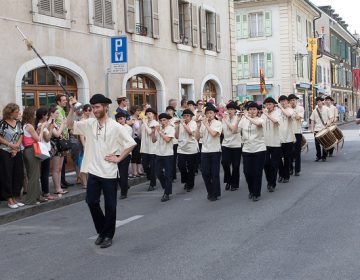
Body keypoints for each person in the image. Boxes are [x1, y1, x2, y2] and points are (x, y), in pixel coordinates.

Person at [67, 93, 136, 249]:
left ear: (105, 107)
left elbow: (131, 144)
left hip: (109, 172)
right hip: (93, 171)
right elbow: (70, 125)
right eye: (93, 107)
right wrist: (72, 109)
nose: (95, 110)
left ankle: (107, 235)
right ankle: (102, 231)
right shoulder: (90, 123)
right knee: (91, 201)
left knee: (110, 206)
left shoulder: (116, 126)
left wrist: (118, 159)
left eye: (97, 107)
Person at [239, 102, 266, 201]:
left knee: (257, 172)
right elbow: (235, 130)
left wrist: (247, 117)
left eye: (254, 109)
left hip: (259, 149)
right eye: (250, 109)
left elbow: (257, 124)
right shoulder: (243, 120)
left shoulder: (261, 119)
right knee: (247, 172)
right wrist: (238, 118)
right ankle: (251, 190)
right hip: (246, 149)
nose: (252, 111)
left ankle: (256, 193)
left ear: (258, 110)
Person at [22, 107, 48, 205]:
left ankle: (37, 196)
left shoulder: (25, 125)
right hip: (32, 150)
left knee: (32, 175)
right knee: (34, 176)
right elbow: (38, 139)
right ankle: (31, 199)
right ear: (30, 115)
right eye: (34, 113)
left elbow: (31, 137)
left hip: (28, 150)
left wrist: (38, 129)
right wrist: (41, 130)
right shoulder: (29, 126)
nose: (35, 115)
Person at [0, 103, 24, 209]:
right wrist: (10, 145)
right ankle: (9, 199)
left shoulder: (18, 123)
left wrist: (17, 146)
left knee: (18, 174)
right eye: (16, 111)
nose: (18, 113)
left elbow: (21, 135)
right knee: (7, 175)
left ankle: (15, 197)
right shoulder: (2, 123)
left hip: (17, 150)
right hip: (5, 151)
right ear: (10, 112)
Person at [196, 104, 222, 201]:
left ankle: (215, 193)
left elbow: (214, 134)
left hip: (215, 151)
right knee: (205, 173)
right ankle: (210, 191)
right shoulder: (203, 124)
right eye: (207, 113)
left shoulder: (218, 123)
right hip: (205, 151)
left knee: (214, 173)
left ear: (214, 113)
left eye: (211, 113)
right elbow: (197, 137)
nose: (209, 115)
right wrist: (198, 126)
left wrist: (206, 125)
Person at [153, 113, 175, 202]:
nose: (162, 122)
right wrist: (153, 132)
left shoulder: (171, 128)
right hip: (159, 153)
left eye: (164, 120)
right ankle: (166, 187)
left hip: (168, 154)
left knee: (168, 174)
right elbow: (153, 140)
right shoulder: (159, 129)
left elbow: (167, 139)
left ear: (168, 120)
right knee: (158, 173)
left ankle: (167, 193)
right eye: (161, 120)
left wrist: (160, 132)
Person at [175, 109, 198, 192]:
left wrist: (183, 123)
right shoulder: (181, 124)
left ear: (191, 117)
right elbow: (176, 136)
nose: (185, 117)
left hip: (191, 148)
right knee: (181, 166)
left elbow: (190, 132)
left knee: (191, 168)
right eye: (184, 116)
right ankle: (186, 181)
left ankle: (190, 185)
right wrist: (177, 126)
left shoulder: (193, 123)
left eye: (187, 116)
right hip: (181, 148)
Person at [261, 97, 281, 192]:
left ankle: (272, 183)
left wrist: (266, 114)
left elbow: (276, 121)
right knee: (265, 164)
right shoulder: (263, 115)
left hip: (276, 143)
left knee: (274, 165)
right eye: (266, 104)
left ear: (274, 105)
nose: (268, 106)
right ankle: (269, 181)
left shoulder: (278, 113)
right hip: (265, 143)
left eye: (270, 104)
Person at [221, 102, 242, 191]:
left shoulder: (238, 118)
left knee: (236, 165)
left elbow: (234, 130)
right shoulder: (223, 119)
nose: (230, 111)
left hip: (236, 145)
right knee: (225, 163)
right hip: (226, 144)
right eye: (228, 109)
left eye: (232, 109)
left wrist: (225, 120)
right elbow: (222, 131)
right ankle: (228, 180)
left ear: (235, 110)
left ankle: (234, 183)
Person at [35, 107, 55, 201]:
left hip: (43, 151)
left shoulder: (39, 124)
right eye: (47, 115)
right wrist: (51, 128)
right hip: (44, 151)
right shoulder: (41, 125)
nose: (47, 117)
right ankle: (46, 193)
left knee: (43, 172)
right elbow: (47, 138)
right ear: (43, 116)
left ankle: (44, 192)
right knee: (45, 173)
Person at [55, 94, 73, 189]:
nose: (65, 101)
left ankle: (62, 181)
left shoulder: (62, 110)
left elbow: (66, 123)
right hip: (60, 140)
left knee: (62, 163)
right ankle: (59, 184)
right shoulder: (57, 111)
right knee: (58, 165)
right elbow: (58, 124)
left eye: (66, 100)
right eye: (63, 100)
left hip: (64, 139)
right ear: (58, 102)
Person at [50, 101, 69, 196]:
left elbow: (60, 133)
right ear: (51, 114)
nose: (58, 114)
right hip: (55, 147)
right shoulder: (50, 123)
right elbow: (56, 134)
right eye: (56, 113)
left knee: (60, 168)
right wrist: (63, 124)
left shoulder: (54, 123)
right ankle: (57, 188)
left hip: (60, 147)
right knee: (55, 169)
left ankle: (59, 187)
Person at [277, 95, 295, 183]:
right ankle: (281, 174)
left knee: (287, 158)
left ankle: (286, 175)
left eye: (284, 101)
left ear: (287, 102)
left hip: (288, 138)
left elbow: (288, 115)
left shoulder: (290, 110)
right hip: (278, 139)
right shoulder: (277, 111)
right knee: (279, 158)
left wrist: (281, 108)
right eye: (281, 101)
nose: (282, 102)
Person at [115, 112, 133, 199]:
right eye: (118, 119)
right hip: (116, 153)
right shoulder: (115, 128)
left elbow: (125, 139)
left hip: (126, 153)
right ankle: (125, 185)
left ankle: (123, 192)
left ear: (125, 119)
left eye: (121, 118)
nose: (120, 120)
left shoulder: (128, 128)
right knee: (116, 173)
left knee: (123, 173)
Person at [140, 108, 159, 191]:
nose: (148, 115)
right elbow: (140, 134)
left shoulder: (155, 123)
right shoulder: (144, 123)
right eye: (147, 114)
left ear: (153, 115)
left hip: (152, 149)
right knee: (144, 165)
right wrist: (143, 123)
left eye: (150, 113)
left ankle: (152, 184)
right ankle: (152, 177)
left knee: (152, 167)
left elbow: (150, 133)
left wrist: (144, 123)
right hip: (144, 148)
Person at [310, 96, 333, 162]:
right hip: (317, 129)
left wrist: (328, 123)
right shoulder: (315, 110)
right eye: (317, 101)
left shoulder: (327, 109)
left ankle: (324, 156)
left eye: (320, 101)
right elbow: (312, 120)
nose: (318, 102)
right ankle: (318, 156)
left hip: (324, 129)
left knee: (324, 143)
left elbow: (331, 118)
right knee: (317, 144)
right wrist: (312, 128)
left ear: (322, 102)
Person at [289, 94, 304, 176]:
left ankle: (297, 170)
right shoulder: (287, 109)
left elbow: (298, 117)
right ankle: (290, 168)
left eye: (294, 100)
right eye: (291, 100)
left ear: (296, 101)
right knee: (289, 152)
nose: (292, 102)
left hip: (297, 132)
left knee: (297, 152)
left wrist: (292, 112)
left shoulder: (300, 108)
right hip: (289, 133)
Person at [78, 104, 92, 188]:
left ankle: (89, 181)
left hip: (90, 143)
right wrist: (84, 145)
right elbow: (81, 135)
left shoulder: (91, 120)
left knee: (90, 163)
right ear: (83, 111)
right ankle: (85, 182)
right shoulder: (82, 121)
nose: (88, 112)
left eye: (90, 110)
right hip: (84, 143)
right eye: (87, 110)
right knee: (83, 163)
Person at [128, 105, 143, 178]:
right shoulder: (131, 118)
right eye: (138, 110)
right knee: (135, 154)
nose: (139, 112)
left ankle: (139, 170)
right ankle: (134, 171)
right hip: (134, 138)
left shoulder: (140, 119)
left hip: (140, 138)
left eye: (139, 110)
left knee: (139, 154)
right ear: (134, 111)